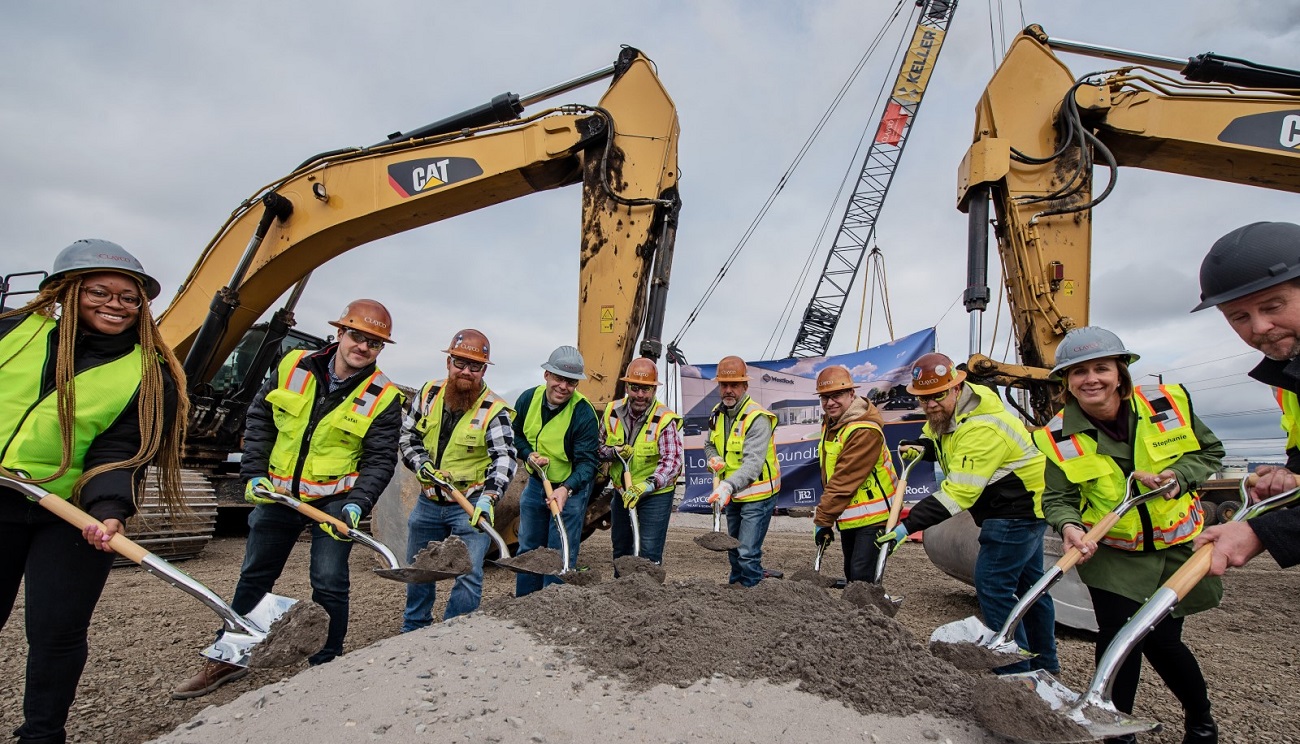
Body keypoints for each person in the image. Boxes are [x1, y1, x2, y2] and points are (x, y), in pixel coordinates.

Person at [0, 240, 187, 744]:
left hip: (68, 511)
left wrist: (109, 510)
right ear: (67, 291)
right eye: (100, 291)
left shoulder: (147, 374)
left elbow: (120, 450)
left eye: (130, 298)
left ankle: (42, 734)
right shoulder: (15, 332)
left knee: (57, 632)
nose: (116, 305)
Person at [173, 299, 402, 699]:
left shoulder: (384, 395)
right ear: (340, 333)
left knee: (330, 581)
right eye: (357, 336)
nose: (363, 347)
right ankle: (228, 658)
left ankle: (326, 661)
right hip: (280, 493)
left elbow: (381, 458)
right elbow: (260, 419)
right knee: (255, 575)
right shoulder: (293, 365)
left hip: (335, 498)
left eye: (374, 343)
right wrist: (254, 473)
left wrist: (358, 502)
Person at [1034, 327, 1222, 743]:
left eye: (1101, 368)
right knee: (1120, 638)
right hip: (1114, 553)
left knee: (1163, 642)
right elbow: (1058, 497)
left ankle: (1201, 722)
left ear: (1120, 372)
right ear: (1066, 381)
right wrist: (1068, 525)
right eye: (1078, 372)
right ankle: (1118, 732)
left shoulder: (1166, 404)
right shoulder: (1059, 434)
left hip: (1176, 549)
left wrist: (1179, 476)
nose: (1091, 379)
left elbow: (1209, 453)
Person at [876, 352, 1057, 675]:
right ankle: (1044, 663)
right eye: (924, 398)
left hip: (1017, 510)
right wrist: (923, 448)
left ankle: (1016, 669)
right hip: (1016, 507)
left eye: (938, 395)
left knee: (992, 583)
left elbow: (959, 492)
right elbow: (939, 441)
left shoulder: (982, 428)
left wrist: (908, 525)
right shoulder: (948, 415)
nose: (931, 404)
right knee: (1032, 588)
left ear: (956, 388)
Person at [1190, 221, 1300, 575]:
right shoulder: (1285, 377)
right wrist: (1288, 475)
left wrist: (1262, 532)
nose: (1259, 328)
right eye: (1239, 317)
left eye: (1273, 306)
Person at [398, 329, 515, 628]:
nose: (466, 371)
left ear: (483, 370)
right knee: (420, 568)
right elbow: (408, 436)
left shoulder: (494, 409)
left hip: (470, 503)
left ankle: (455, 632)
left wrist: (489, 499)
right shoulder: (428, 393)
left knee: (468, 573)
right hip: (428, 502)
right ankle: (414, 627)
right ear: (448, 362)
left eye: (474, 366)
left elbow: (504, 457)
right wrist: (420, 463)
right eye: (460, 363)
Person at [513, 345, 599, 596]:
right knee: (528, 547)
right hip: (536, 484)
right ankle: (524, 604)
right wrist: (528, 454)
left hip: (569, 490)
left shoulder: (583, 413)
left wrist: (566, 489)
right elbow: (516, 435)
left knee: (559, 551)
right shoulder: (528, 399)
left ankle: (553, 607)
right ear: (547, 375)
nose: (563, 386)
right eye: (559, 378)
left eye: (571, 382)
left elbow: (588, 463)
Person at [810, 365, 897, 582]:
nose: (829, 403)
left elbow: (844, 481)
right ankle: (856, 615)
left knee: (861, 577)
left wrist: (823, 519)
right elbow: (830, 475)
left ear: (851, 393)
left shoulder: (864, 430)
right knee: (851, 573)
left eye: (837, 395)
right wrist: (829, 518)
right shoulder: (833, 424)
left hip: (875, 517)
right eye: (824, 397)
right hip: (851, 516)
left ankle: (869, 616)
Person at [703, 355, 781, 587]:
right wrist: (713, 457)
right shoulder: (717, 413)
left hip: (758, 494)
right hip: (734, 495)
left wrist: (726, 486)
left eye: (734, 385)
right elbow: (709, 444)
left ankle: (753, 595)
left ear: (745, 386)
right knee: (733, 548)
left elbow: (753, 464)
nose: (728, 390)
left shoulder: (757, 418)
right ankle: (735, 589)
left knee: (746, 552)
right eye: (724, 385)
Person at [597, 357, 683, 566]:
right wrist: (613, 452)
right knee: (621, 548)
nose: (640, 395)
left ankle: (648, 595)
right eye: (635, 388)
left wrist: (648, 484)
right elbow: (596, 448)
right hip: (622, 492)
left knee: (649, 551)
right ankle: (620, 592)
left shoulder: (664, 419)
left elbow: (672, 460)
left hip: (655, 494)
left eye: (646, 390)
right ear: (627, 386)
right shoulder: (612, 412)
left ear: (654, 390)